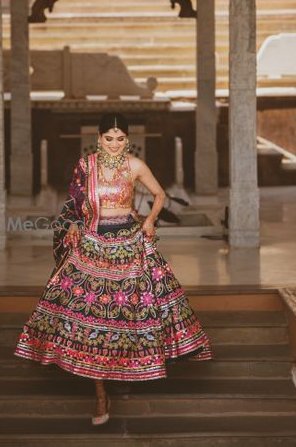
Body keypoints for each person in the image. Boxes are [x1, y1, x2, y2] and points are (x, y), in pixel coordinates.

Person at [14, 112, 212, 426]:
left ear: (128, 140)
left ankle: (122, 369)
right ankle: (101, 394)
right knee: (90, 317)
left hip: (129, 243)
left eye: (120, 139)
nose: (115, 144)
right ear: (98, 138)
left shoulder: (135, 166)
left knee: (132, 311)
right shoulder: (85, 166)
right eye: (109, 138)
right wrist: (74, 227)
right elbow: (73, 205)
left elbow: (160, 194)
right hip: (92, 243)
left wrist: (149, 220)